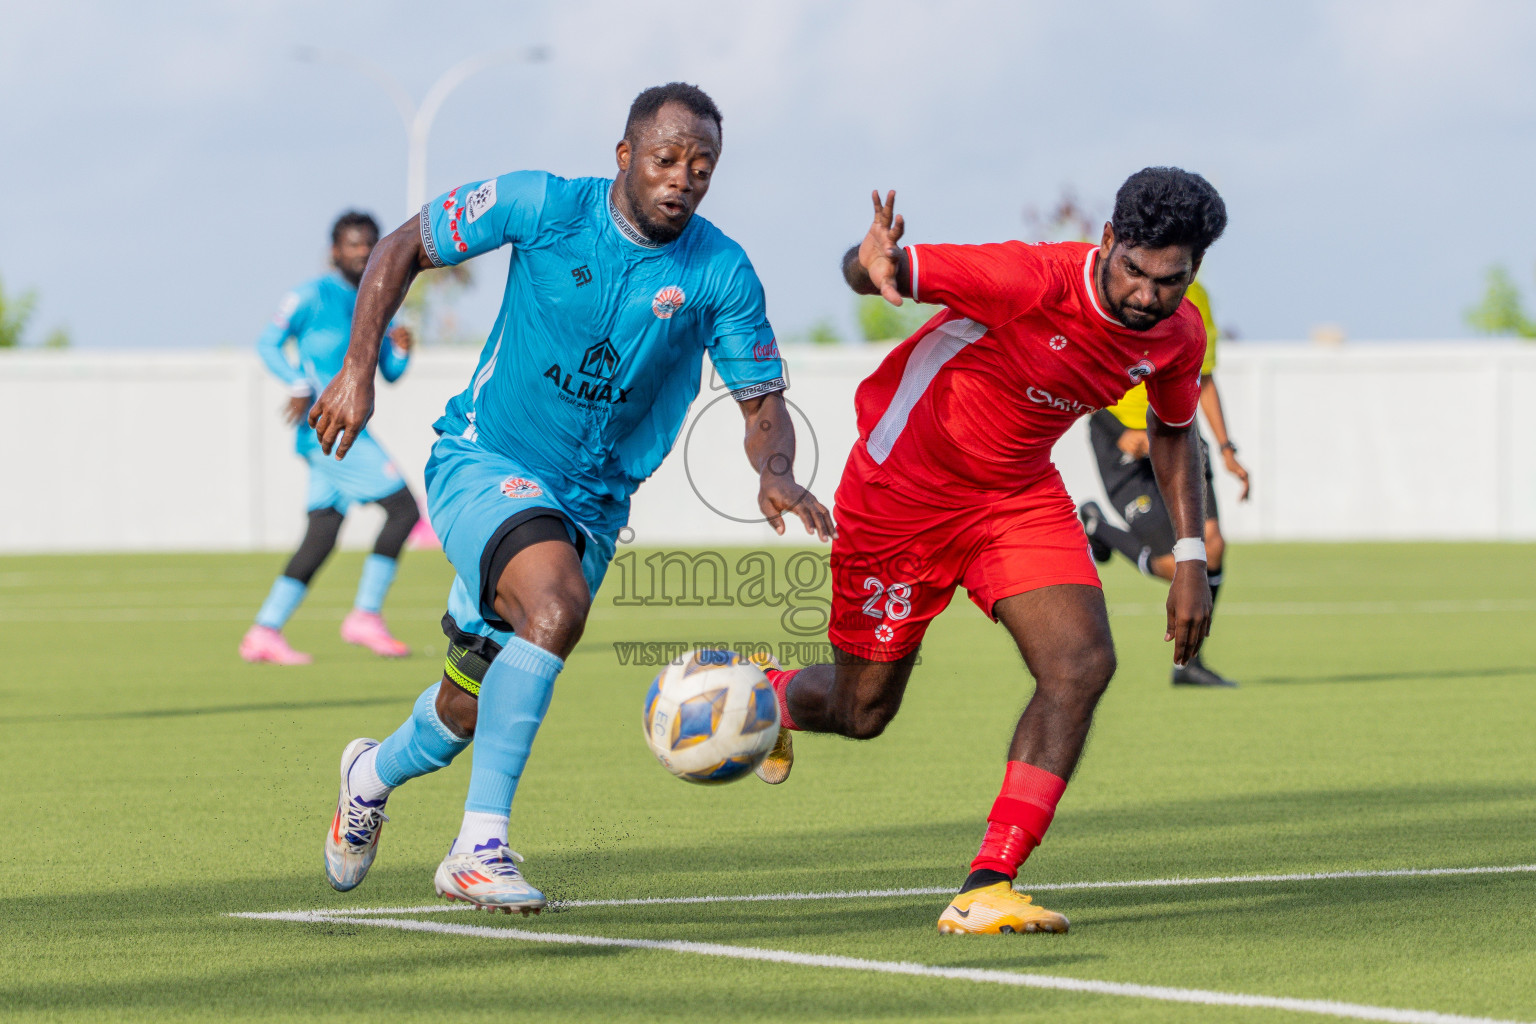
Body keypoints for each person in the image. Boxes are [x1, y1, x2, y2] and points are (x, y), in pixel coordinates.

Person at [307, 83, 833, 911]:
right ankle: (479, 848)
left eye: (702, 168)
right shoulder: (541, 204)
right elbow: (403, 245)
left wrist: (774, 473)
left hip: (590, 509)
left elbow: (759, 400)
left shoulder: (720, 271)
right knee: (556, 605)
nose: (683, 180)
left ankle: (368, 775)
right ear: (624, 157)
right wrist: (356, 370)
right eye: (666, 160)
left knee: (459, 711)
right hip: (484, 459)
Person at [754, 168, 1226, 935]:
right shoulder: (1028, 276)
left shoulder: (1177, 335)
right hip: (902, 490)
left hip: (1015, 497)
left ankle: (987, 883)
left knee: (1081, 663)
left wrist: (1192, 556)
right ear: (1106, 241)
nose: (1146, 295)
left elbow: (1173, 428)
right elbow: (880, 272)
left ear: (1192, 274)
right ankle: (764, 695)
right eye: (1134, 271)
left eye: (1168, 282)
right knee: (863, 710)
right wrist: (867, 258)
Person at [240, 212, 420, 665]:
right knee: (403, 511)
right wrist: (298, 383)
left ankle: (264, 631)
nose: (362, 253)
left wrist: (399, 349)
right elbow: (267, 343)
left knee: (322, 533)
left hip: (346, 428)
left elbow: (390, 375)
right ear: (335, 250)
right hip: (327, 428)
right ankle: (365, 615)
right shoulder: (310, 295)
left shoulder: (376, 297)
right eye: (353, 245)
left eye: (369, 244)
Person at [1078, 279, 1252, 687]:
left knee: (1212, 547)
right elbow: (1083, 369)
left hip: (1177, 433)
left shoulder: (1199, 297)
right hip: (1124, 441)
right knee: (1171, 565)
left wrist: (1226, 448)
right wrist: (1116, 429)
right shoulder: (1122, 288)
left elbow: (1203, 377)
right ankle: (1095, 527)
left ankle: (1189, 665)